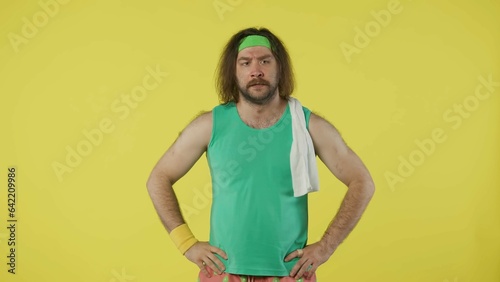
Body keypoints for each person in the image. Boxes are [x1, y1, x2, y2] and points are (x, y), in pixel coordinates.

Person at [146, 27, 375, 282]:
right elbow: (159, 177)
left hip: (289, 273)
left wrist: (326, 247)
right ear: (234, 72)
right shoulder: (209, 125)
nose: (256, 71)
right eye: (246, 63)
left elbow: (362, 182)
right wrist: (185, 242)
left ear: (279, 68)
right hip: (224, 273)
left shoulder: (309, 126)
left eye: (265, 61)